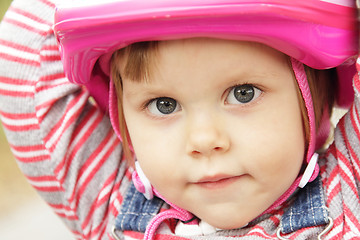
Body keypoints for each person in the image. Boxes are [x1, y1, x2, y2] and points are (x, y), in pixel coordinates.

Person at [0, 0, 359, 239]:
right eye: (164, 105)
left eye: (243, 93)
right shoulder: (108, 202)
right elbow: (24, 59)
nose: (203, 140)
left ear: (314, 99)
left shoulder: (346, 195)